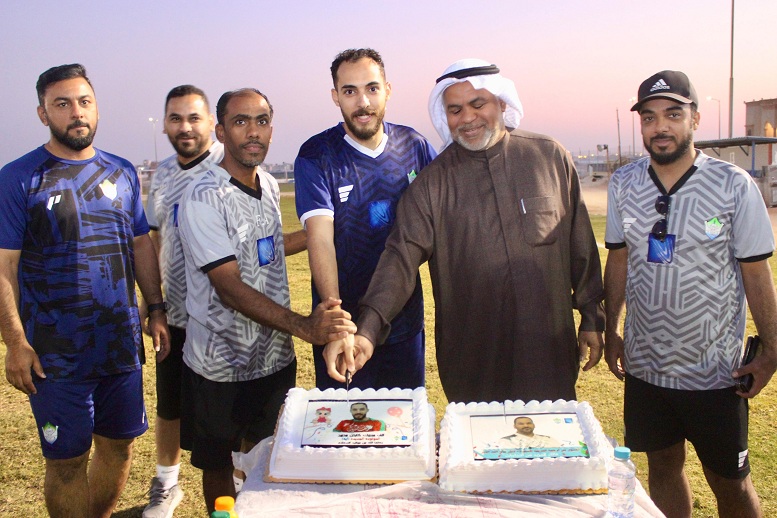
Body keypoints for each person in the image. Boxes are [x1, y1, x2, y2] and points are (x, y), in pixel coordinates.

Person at [325, 58, 605, 404]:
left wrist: (592, 318)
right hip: (475, 363)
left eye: (478, 104)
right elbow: (400, 258)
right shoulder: (431, 185)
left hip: (547, 351)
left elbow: (581, 247)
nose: (467, 118)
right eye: (455, 110)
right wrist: (367, 330)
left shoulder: (549, 157)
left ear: (502, 103)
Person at [604, 70, 777, 518]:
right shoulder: (624, 184)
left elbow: (756, 273)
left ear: (695, 119)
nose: (660, 126)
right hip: (646, 368)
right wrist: (611, 330)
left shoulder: (733, 184)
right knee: (662, 467)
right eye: (649, 116)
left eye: (673, 114)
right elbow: (619, 261)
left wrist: (773, 349)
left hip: (715, 372)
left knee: (730, 484)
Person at [0, 63, 170, 518]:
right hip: (55, 353)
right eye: (62, 104)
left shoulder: (121, 172)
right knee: (68, 462)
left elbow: (138, 244)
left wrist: (155, 308)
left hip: (119, 345)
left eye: (84, 102)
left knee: (119, 449)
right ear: (43, 113)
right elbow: (5, 266)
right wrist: (16, 343)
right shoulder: (20, 178)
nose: (76, 113)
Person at [177, 87, 356, 513]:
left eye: (261, 121)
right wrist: (304, 327)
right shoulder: (202, 197)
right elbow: (228, 286)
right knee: (219, 466)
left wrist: (326, 231)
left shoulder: (271, 185)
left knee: (265, 456)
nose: (252, 132)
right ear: (220, 130)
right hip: (219, 364)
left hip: (273, 358)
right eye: (240, 122)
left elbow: (268, 246)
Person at [294, 48, 436, 390]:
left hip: (403, 322)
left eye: (372, 88)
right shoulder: (317, 154)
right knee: (346, 433)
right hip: (345, 328)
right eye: (349, 91)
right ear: (335, 97)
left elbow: (441, 222)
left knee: (405, 429)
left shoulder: (413, 145)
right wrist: (335, 323)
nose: (363, 102)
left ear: (388, 89)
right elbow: (320, 238)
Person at [141, 84, 223, 517]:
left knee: (230, 409)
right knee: (169, 402)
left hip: (223, 316)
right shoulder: (164, 174)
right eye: (175, 118)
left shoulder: (230, 169)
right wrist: (152, 303)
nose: (185, 127)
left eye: (194, 117)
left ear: (212, 122)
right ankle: (167, 484)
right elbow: (154, 237)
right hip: (174, 315)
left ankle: (243, 483)